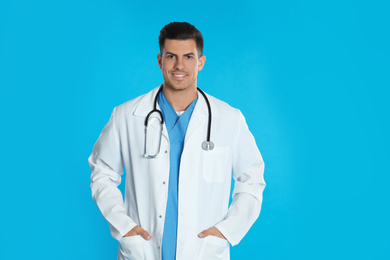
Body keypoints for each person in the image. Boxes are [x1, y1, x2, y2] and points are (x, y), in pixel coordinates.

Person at [88, 21, 266, 260]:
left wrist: (226, 232)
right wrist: (125, 227)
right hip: (142, 250)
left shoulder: (229, 119)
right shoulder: (126, 116)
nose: (179, 65)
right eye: (171, 56)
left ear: (201, 62)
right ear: (160, 60)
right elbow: (102, 173)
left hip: (203, 251)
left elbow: (252, 180)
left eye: (189, 57)